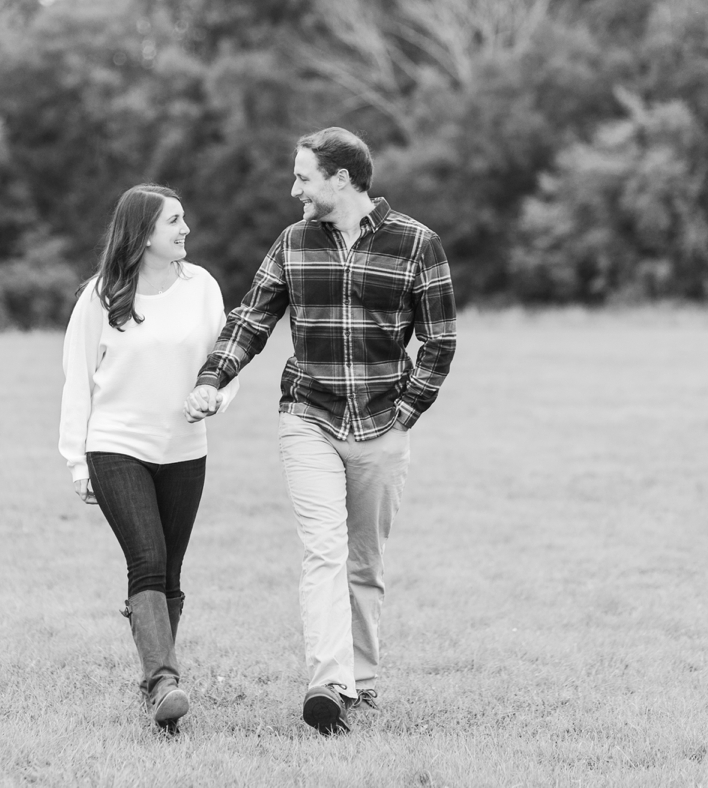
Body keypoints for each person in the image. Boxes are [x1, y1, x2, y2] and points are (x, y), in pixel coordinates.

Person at [185, 127, 456, 736]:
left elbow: (440, 342)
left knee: (365, 560)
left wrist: (405, 416)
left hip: (384, 421)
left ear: (341, 178)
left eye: (304, 177)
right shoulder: (293, 242)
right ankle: (327, 683)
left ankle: (361, 682)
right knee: (324, 550)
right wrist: (212, 378)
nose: (294, 189)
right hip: (307, 414)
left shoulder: (418, 244)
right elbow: (251, 318)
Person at [59, 184, 236, 734]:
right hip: (116, 445)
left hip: (184, 449)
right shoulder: (100, 295)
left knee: (172, 572)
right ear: (143, 233)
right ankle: (163, 680)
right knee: (148, 559)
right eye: (174, 222)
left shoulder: (201, 286)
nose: (185, 230)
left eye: (183, 220)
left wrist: (215, 397)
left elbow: (223, 360)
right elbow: (77, 382)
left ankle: (157, 683)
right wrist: (77, 460)